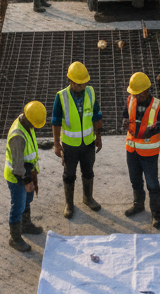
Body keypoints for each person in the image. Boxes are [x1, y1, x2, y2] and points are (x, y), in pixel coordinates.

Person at [52, 61, 104, 218]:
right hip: (70, 145)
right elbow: (56, 121)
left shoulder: (91, 93)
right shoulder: (61, 97)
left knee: (88, 171)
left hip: (88, 143)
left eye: (82, 83)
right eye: (76, 83)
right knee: (69, 174)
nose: (80, 86)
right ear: (70, 81)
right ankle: (69, 204)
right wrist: (56, 144)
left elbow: (96, 115)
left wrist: (98, 136)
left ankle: (88, 198)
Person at [123, 72, 160, 229]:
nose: (136, 96)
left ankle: (156, 214)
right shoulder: (131, 99)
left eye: (139, 94)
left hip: (149, 153)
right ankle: (138, 205)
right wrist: (125, 121)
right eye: (134, 93)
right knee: (135, 180)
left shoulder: (158, 105)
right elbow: (125, 114)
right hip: (132, 149)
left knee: (152, 184)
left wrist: (152, 129)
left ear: (146, 91)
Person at [5, 100, 47, 252]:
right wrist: (27, 179)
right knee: (18, 206)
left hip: (27, 171)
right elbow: (17, 166)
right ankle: (15, 238)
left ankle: (25, 224)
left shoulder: (27, 124)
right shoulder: (17, 136)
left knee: (27, 200)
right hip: (18, 176)